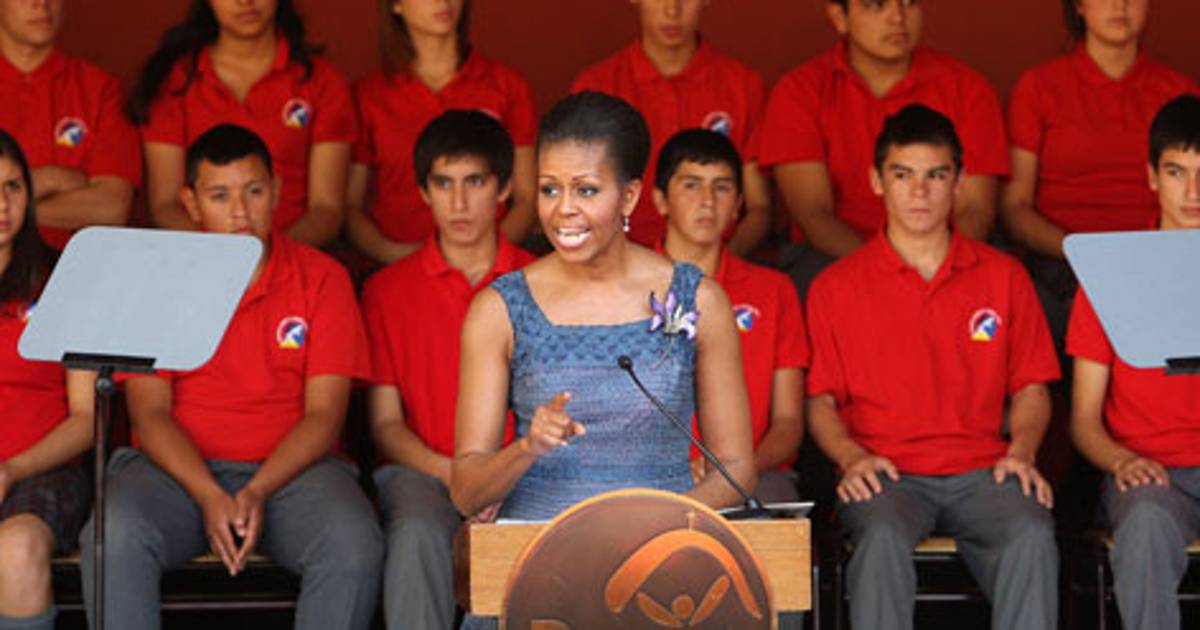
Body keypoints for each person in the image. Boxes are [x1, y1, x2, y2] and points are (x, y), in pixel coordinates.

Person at [450, 92, 756, 628]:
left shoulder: (699, 300)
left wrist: (656, 530)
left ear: (630, 196)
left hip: (663, 564)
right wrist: (526, 448)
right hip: (538, 566)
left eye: (586, 190)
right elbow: (465, 490)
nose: (563, 209)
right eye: (550, 189)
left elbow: (736, 470)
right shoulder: (499, 310)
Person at [79, 124, 382, 630]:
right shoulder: (160, 280)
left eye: (254, 191)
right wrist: (207, 493)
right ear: (191, 203)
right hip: (173, 476)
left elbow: (325, 415)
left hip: (293, 477)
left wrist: (257, 490)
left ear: (277, 191)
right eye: (220, 196)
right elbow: (149, 413)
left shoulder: (321, 278)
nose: (240, 211)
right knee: (113, 537)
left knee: (354, 544)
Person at [805, 105, 1060, 630]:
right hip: (886, 473)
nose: (919, 192)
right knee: (879, 537)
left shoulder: (1004, 277)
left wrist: (1022, 451)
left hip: (985, 470)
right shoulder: (836, 286)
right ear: (877, 181)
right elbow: (820, 400)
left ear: (959, 183)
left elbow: (1032, 387)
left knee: (1031, 530)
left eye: (936, 176)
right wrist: (851, 457)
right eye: (903, 175)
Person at [362, 110, 534, 630]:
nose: (459, 203)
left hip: (524, 472)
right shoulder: (386, 290)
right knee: (415, 530)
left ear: (504, 189)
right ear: (423, 192)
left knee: (535, 533)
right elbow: (386, 424)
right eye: (444, 183)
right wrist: (453, 473)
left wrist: (495, 477)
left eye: (475, 182)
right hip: (424, 471)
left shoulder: (543, 281)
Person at [758, 0, 1008, 297]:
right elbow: (814, 214)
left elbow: (975, 210)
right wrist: (887, 272)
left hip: (947, 255)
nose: (897, 17)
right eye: (876, 5)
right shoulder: (801, 91)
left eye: (908, 3)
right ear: (839, 17)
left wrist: (933, 269)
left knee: (1022, 301)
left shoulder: (967, 89)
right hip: (835, 255)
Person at [1067, 94, 1200, 630]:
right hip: (1151, 474)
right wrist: (1122, 462)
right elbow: (1083, 420)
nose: (1193, 192)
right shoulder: (1112, 274)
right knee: (1144, 522)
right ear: (1151, 176)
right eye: (1176, 172)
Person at [1003, 0, 1197, 345]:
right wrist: (1087, 255)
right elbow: (1015, 207)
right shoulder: (1039, 87)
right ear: (1079, 6)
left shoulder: (1179, 92)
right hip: (1063, 264)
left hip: (1159, 262)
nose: (1120, 5)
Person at [652, 128, 808, 503]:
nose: (707, 201)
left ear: (738, 204)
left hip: (757, 476)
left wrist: (738, 469)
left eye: (721, 188)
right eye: (691, 185)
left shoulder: (774, 290)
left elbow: (788, 422)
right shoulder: (625, 286)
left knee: (774, 517)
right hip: (651, 478)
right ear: (660, 200)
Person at [130, 0, 355, 248]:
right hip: (203, 257)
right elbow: (166, 205)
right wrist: (223, 256)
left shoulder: (321, 79)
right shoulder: (175, 80)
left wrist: (271, 256)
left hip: (295, 255)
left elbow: (327, 209)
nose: (245, 2)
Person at [570, 0, 771, 254]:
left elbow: (759, 208)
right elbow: (578, 202)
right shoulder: (597, 88)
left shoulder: (743, 86)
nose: (672, 10)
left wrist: (715, 266)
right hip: (618, 261)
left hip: (718, 259)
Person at [348, 0, 538, 265]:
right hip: (394, 264)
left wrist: (477, 256)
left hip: (491, 269)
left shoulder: (506, 86)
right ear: (396, 5)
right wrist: (393, 255)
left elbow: (527, 199)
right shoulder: (368, 95)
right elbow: (350, 207)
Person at [0, 130, 93, 630]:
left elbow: (85, 419)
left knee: (16, 549)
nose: (2, 204)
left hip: (43, 471)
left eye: (13, 186)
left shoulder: (63, 279)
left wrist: (11, 469)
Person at [0, 0, 140, 250]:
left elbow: (111, 207)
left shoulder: (99, 88)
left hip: (74, 270)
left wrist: (11, 210)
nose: (41, 4)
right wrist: (51, 179)